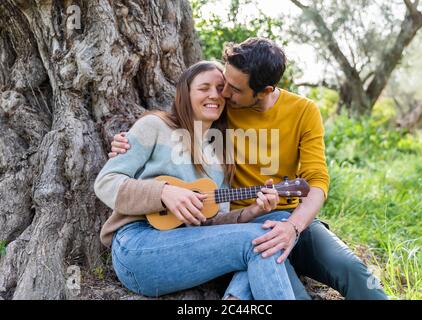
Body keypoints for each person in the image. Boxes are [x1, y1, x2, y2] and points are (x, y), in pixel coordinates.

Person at [110, 38, 388, 300]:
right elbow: (181, 117)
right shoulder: (221, 109)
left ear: (265, 91)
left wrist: (293, 227)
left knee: (353, 271)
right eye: (225, 83)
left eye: (235, 89)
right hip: (233, 225)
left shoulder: (304, 111)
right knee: (277, 271)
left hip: (289, 218)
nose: (224, 93)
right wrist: (127, 144)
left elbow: (317, 180)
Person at [94, 60, 303, 299]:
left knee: (276, 224)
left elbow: (213, 222)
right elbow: (106, 182)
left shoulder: (222, 152)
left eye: (220, 88)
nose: (214, 95)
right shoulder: (154, 126)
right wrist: (163, 192)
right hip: (138, 244)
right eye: (204, 88)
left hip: (189, 241)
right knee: (258, 240)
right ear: (186, 93)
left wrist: (252, 211)